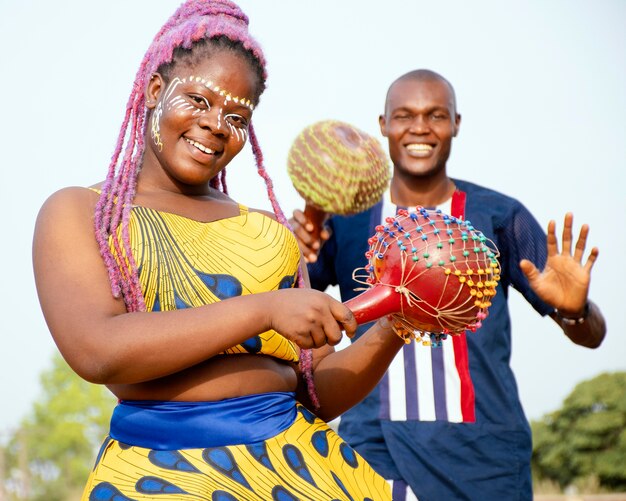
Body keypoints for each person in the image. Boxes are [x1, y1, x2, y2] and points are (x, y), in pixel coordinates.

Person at [32, 1, 408, 499]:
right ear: (154, 91)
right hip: (162, 474)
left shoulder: (269, 235)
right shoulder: (85, 213)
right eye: (199, 100)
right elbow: (97, 351)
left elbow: (314, 393)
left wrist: (400, 321)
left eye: (237, 115)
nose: (215, 124)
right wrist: (267, 309)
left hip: (304, 470)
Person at [291, 69, 607, 500]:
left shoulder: (498, 216)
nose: (419, 127)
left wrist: (575, 310)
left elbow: (591, 335)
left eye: (435, 115)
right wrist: (294, 249)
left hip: (482, 458)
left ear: (456, 123)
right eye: (404, 115)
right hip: (373, 450)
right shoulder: (349, 222)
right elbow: (291, 309)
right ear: (383, 125)